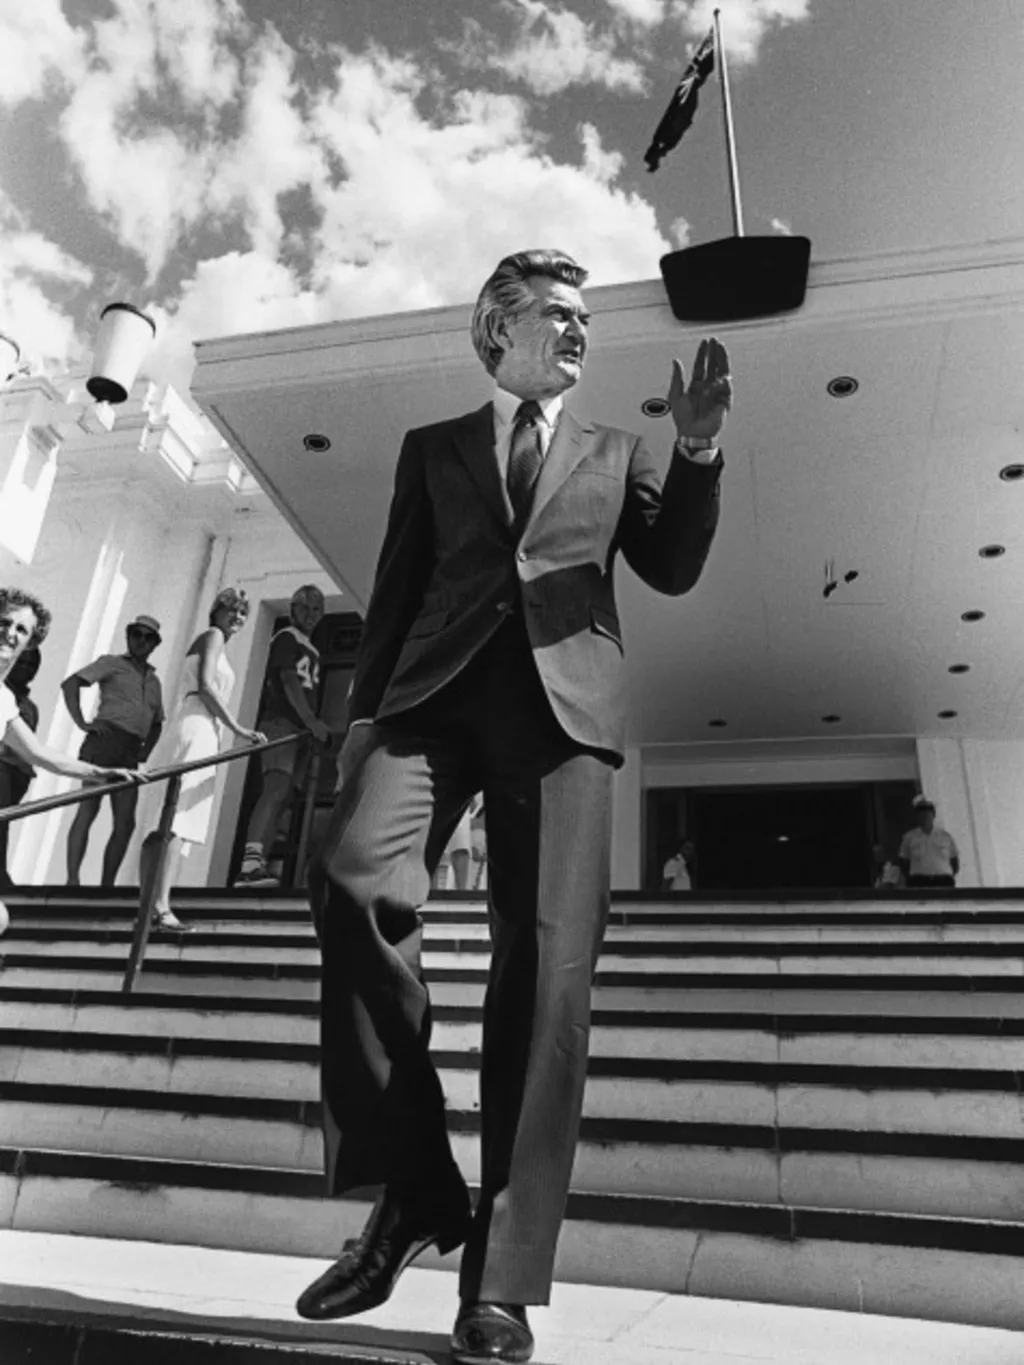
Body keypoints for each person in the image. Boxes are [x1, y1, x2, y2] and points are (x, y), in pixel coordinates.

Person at [295, 248, 731, 1365]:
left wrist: (695, 450)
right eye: (555, 313)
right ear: (498, 328)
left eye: (585, 317)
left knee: (546, 983)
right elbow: (395, 591)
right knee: (353, 887)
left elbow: (673, 567)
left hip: (562, 718)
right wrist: (358, 731)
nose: (579, 330)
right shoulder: (431, 448)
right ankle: (415, 1192)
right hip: (428, 706)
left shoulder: (614, 448)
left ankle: (501, 1282)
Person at [0, 588, 143, 903]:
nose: (10, 633)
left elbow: (38, 753)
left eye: (20, 629)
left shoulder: (5, 700)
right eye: (4, 622)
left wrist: (102, 772)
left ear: (30, 643)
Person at [138, 588, 264, 931]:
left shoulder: (216, 639)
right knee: (174, 819)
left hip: (199, 726)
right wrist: (238, 728)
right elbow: (207, 687)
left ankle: (152, 906)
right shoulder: (212, 636)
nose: (237, 617)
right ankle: (160, 907)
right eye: (232, 610)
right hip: (196, 724)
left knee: (170, 822)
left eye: (243, 613)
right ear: (217, 611)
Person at [234, 585, 329, 887]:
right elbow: (289, 679)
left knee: (286, 794)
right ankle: (249, 864)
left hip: (300, 732)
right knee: (274, 788)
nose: (311, 614)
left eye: (317, 609)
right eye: (305, 607)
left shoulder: (312, 648)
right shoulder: (286, 638)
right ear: (292, 609)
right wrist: (311, 720)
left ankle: (259, 862)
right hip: (280, 724)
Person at [63, 614, 164, 886]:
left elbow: (157, 722)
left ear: (155, 643)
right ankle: (72, 879)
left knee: (125, 822)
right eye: (136, 634)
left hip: (130, 749)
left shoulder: (154, 681)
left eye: (148, 637)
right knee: (88, 809)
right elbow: (71, 684)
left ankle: (107, 883)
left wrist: (145, 751)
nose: (141, 641)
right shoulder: (112, 663)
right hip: (105, 739)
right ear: (128, 636)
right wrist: (82, 723)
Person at [0, 646, 41, 890]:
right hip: (1, 767)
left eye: (32, 665)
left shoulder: (30, 707)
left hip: (19, 775)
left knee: (5, 820)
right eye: (22, 662)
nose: (26, 668)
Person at [898, 796, 960, 888]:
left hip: (943, 882)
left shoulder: (945, 837)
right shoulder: (909, 837)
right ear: (917, 814)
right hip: (919, 882)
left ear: (933, 814)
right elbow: (904, 863)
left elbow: (954, 863)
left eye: (929, 809)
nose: (925, 813)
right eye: (921, 810)